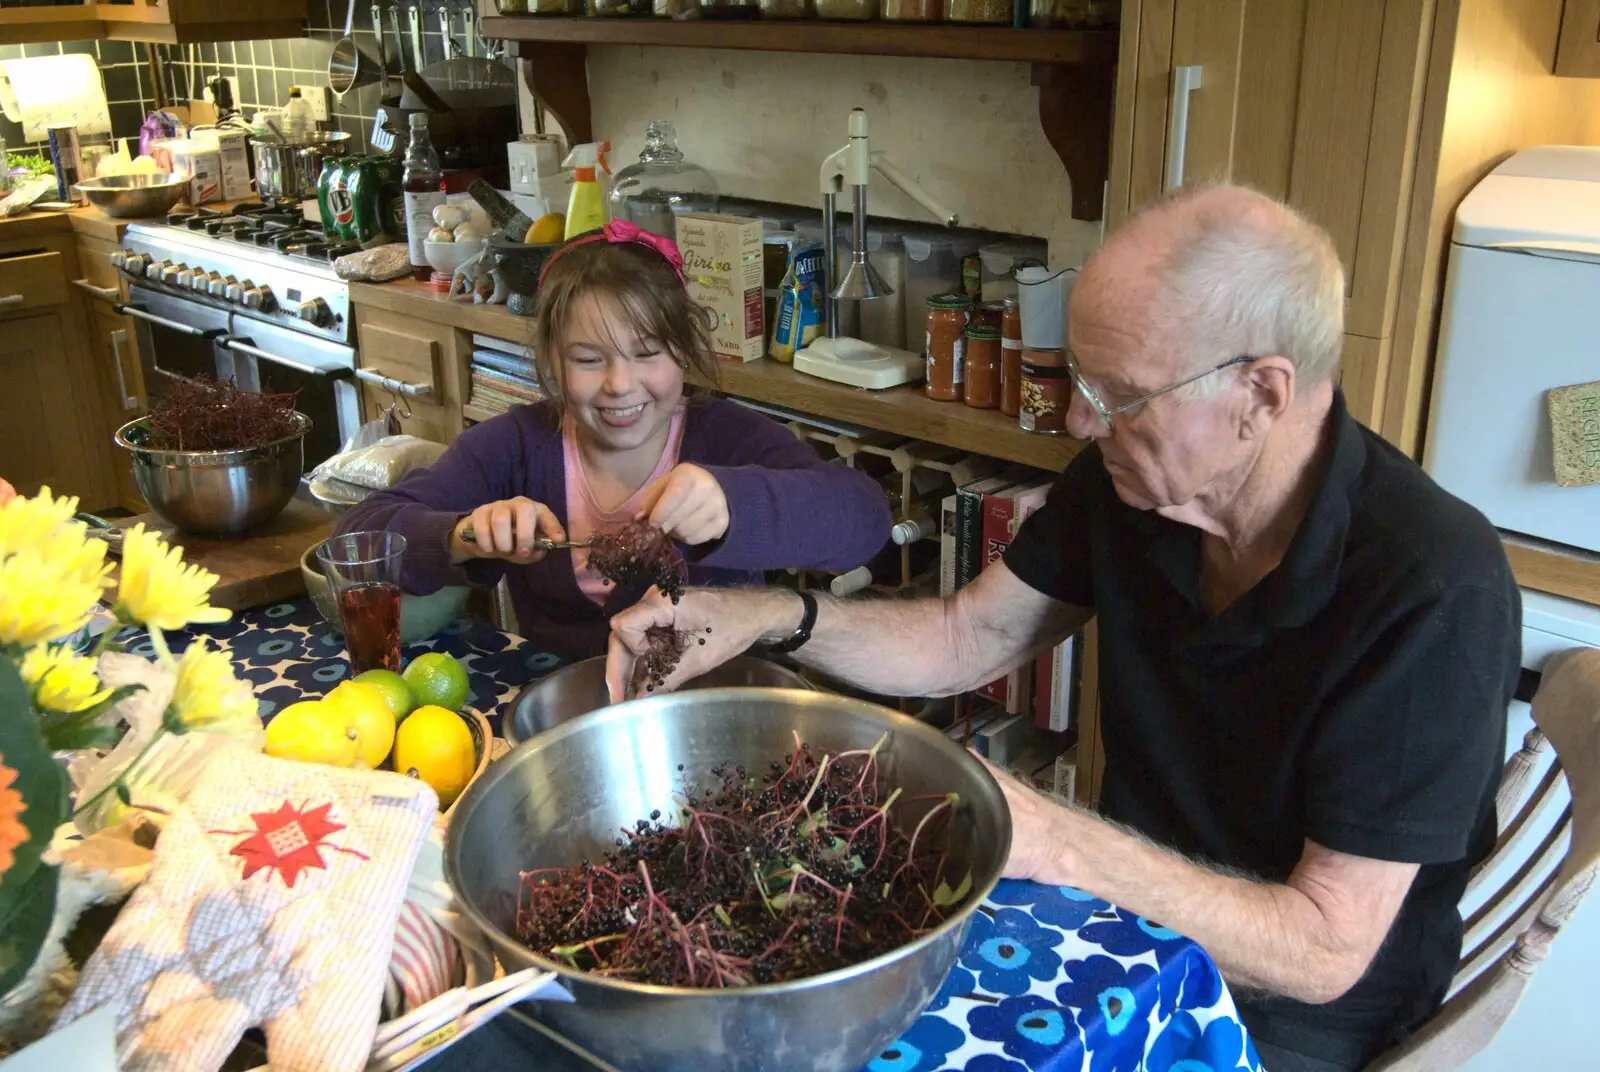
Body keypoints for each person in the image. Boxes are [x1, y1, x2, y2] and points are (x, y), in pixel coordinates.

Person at [606, 187, 1520, 1071]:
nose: (1082, 419)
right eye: (1082, 379)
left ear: (1263, 393)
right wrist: (762, 616)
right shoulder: (1139, 487)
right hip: (1125, 926)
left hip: (1290, 1016)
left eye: (1118, 392)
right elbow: (962, 641)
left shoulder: (1436, 591)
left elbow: (1323, 951)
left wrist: (1062, 840)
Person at [337, 221, 890, 660]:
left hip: (715, 706)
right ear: (553, 362)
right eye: (587, 359)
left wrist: (734, 504)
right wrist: (461, 534)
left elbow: (865, 519)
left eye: (647, 353)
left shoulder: (724, 436)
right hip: (560, 709)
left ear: (684, 353)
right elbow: (357, 539)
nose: (620, 384)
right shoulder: (515, 445)